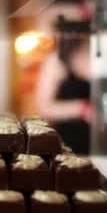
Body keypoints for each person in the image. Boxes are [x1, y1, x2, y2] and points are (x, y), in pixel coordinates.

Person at [36, 18, 91, 154]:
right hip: (77, 134)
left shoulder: (98, 45)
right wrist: (82, 109)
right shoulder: (55, 61)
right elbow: (44, 106)